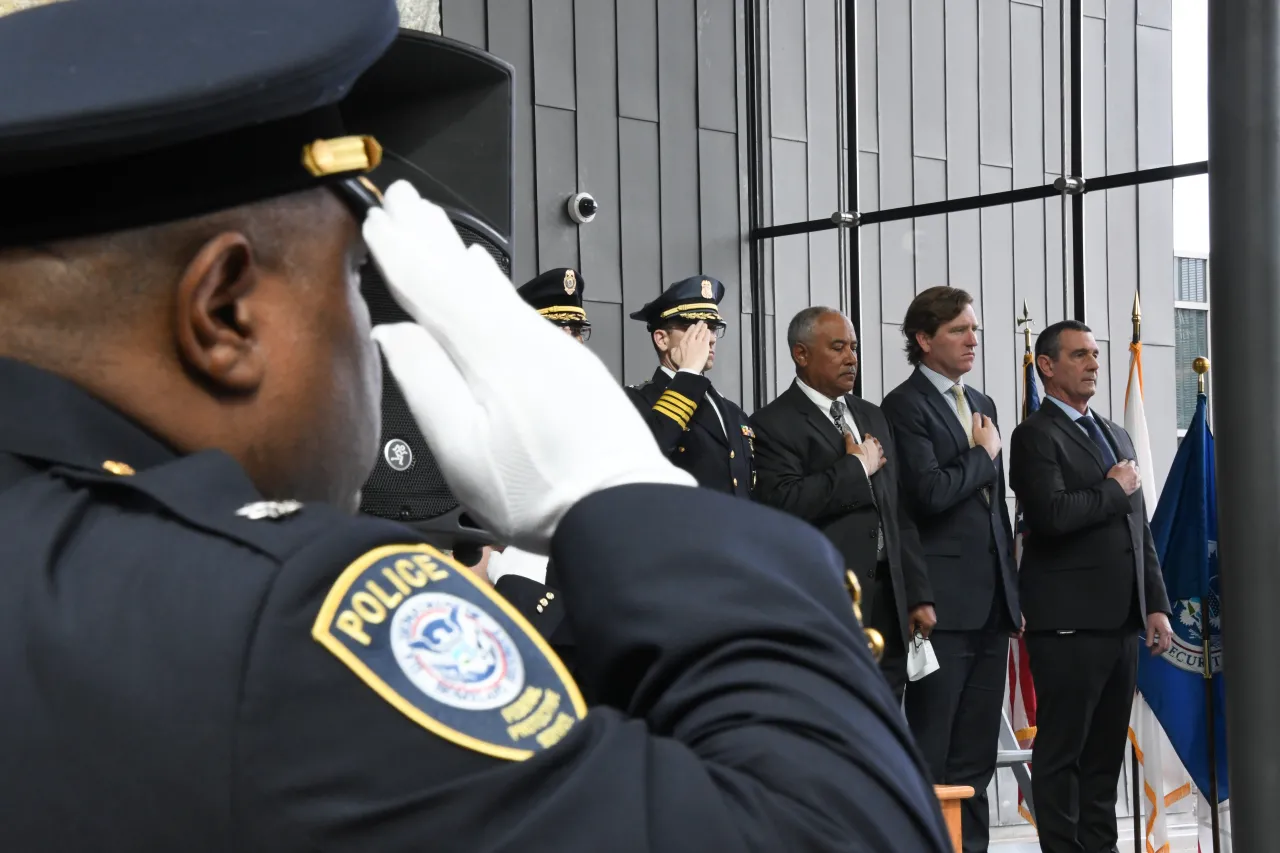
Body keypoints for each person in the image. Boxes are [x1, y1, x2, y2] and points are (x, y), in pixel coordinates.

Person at [0, 2, 953, 851]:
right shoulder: (275, 622)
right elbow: (839, 826)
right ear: (227, 314)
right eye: (353, 287)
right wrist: (634, 500)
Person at [1009, 320, 1174, 853]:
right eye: (1080, 355)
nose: (1094, 364)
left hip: (1122, 620)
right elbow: (1051, 516)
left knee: (1104, 761)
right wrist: (1111, 487)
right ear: (1047, 366)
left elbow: (1137, 525)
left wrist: (1155, 604)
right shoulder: (1034, 434)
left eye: (1097, 355)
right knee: (1064, 757)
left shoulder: (1114, 432)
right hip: (1067, 622)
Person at [880, 287, 1021, 853]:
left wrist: (1013, 589)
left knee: (977, 757)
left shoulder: (980, 398)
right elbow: (930, 494)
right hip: (941, 604)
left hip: (990, 604)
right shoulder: (904, 405)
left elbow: (995, 511)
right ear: (923, 339)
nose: (973, 340)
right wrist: (982, 455)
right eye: (960, 330)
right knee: (933, 749)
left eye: (975, 330)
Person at [750, 307, 932, 701]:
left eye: (853, 347)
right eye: (837, 348)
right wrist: (854, 468)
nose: (852, 358)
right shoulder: (772, 423)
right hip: (828, 601)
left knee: (887, 724)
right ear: (801, 354)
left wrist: (917, 593)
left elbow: (897, 510)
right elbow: (785, 503)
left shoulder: (871, 415)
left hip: (889, 600)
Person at [626, 276, 754, 497]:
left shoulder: (732, 412)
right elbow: (645, 458)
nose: (710, 339)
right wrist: (688, 373)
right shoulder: (633, 401)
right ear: (662, 339)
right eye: (695, 329)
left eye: (713, 328)